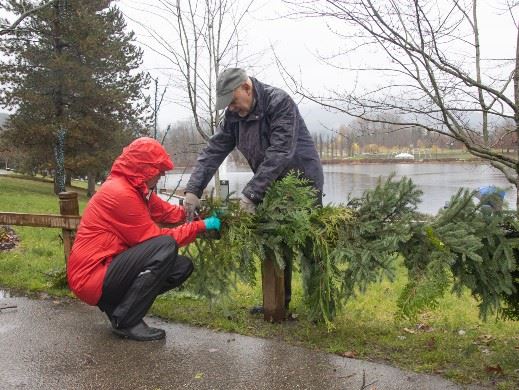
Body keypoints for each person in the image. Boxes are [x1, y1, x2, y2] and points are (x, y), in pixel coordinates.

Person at [183, 68, 324, 314]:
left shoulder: (279, 102)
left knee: (310, 242)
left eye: (234, 102)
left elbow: (280, 152)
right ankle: (277, 304)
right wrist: (193, 190)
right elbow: (213, 152)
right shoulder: (233, 118)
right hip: (270, 184)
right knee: (272, 239)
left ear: (247, 88)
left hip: (302, 182)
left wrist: (251, 194)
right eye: (228, 105)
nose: (232, 108)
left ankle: (319, 304)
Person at [67, 137, 221, 341]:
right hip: (91, 276)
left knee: (180, 267)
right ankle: (127, 321)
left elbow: (167, 213)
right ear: (145, 168)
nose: (163, 174)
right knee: (165, 246)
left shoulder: (136, 189)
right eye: (159, 169)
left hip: (109, 268)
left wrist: (191, 212)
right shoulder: (120, 193)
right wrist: (202, 226)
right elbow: (156, 240)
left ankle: (119, 309)